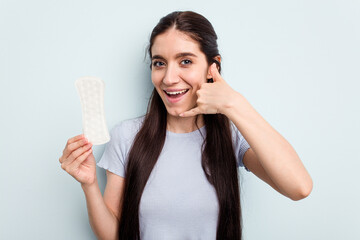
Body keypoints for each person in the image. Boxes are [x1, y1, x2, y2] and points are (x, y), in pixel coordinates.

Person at [59, 11, 313, 240]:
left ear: (212, 67)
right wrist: (89, 184)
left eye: (185, 61)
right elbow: (114, 235)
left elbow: (299, 187)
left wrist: (235, 104)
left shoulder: (232, 135)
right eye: (159, 63)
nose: (169, 79)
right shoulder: (127, 136)